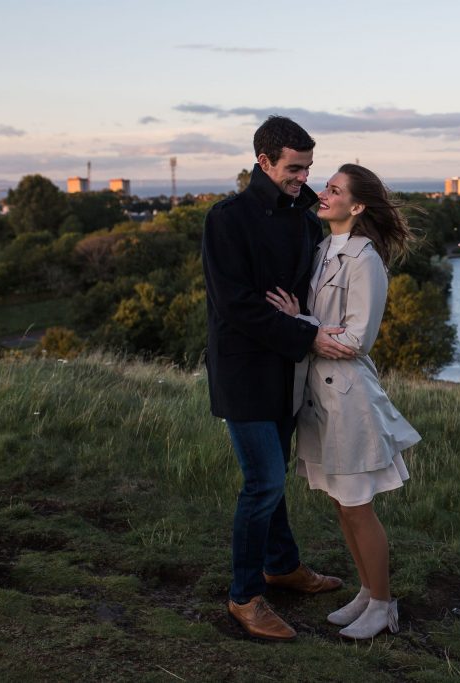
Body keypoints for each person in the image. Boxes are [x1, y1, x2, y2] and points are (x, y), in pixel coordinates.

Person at [202, 115, 355, 642]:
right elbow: (237, 305)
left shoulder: (304, 219)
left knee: (275, 476)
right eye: (294, 168)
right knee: (263, 480)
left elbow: (314, 288)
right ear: (264, 161)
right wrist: (304, 335)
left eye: (309, 168)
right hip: (242, 371)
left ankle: (282, 565)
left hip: (287, 371)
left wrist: (304, 320)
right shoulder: (227, 220)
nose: (303, 177)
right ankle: (245, 597)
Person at [265, 163, 421, 640]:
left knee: (357, 506)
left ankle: (383, 604)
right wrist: (308, 324)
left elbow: (356, 340)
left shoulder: (365, 258)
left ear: (357, 206)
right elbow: (320, 325)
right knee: (341, 503)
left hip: (349, 398)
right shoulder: (321, 247)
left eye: (334, 189)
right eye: (325, 186)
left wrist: (302, 327)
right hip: (318, 395)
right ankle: (367, 590)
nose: (323, 193)